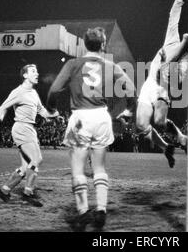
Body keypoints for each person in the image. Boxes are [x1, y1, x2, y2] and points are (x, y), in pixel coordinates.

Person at [47, 27, 136, 231]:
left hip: (80, 117)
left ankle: (83, 210)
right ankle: (102, 209)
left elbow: (53, 90)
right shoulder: (111, 65)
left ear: (85, 44)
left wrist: (51, 109)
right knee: (99, 168)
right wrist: (129, 110)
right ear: (103, 45)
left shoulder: (73, 64)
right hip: (101, 117)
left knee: (78, 169)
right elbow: (131, 89)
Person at [136, 0, 188, 168]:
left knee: (159, 121)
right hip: (149, 84)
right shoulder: (171, 38)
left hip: (162, 89)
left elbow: (175, 80)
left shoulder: (187, 59)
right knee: (141, 125)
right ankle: (167, 147)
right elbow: (173, 16)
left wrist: (184, 45)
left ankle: (181, 137)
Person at [0, 64, 59, 207]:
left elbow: (42, 111)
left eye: (37, 71)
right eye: (33, 71)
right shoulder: (18, 92)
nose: (37, 73)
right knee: (36, 159)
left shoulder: (34, 93)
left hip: (30, 129)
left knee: (25, 167)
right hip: (21, 128)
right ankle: (27, 194)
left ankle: (4, 190)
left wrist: (53, 115)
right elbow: (3, 106)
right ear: (25, 75)